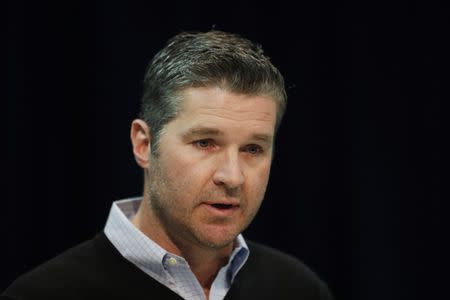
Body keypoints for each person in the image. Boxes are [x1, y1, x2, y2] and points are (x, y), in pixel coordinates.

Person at [2, 30, 333, 300]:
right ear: (144, 144)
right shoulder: (43, 294)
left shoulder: (298, 288)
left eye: (253, 149)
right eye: (205, 143)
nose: (232, 176)